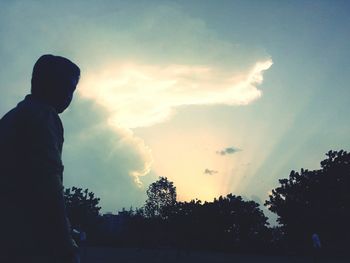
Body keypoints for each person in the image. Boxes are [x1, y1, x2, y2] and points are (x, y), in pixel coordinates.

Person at [0, 54, 80, 262]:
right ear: (49, 85)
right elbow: (48, 185)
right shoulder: (44, 116)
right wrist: (65, 245)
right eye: (68, 88)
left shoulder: (12, 117)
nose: (69, 97)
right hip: (27, 241)